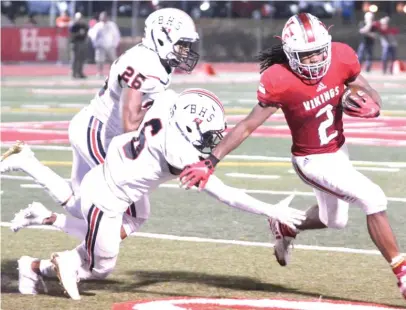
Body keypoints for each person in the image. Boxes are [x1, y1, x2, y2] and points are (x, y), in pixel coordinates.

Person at [179, 12, 406, 299]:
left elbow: (368, 89)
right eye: (305, 55)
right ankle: (402, 272)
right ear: (290, 54)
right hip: (311, 160)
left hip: (338, 150)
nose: (313, 60)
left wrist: (373, 104)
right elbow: (248, 124)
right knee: (373, 198)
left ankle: (286, 222)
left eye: (317, 52)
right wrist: (211, 161)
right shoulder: (279, 79)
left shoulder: (342, 56)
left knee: (335, 221)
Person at [14, 88, 306, 299]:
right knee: (100, 267)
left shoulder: (169, 100)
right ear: (191, 129)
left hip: (109, 172)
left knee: (137, 216)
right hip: (109, 198)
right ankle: (48, 262)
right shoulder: (180, 152)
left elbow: (143, 100)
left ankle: (42, 226)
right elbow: (226, 194)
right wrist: (271, 210)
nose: (208, 142)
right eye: (206, 136)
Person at [1, 8, 201, 254]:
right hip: (100, 134)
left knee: (81, 207)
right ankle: (81, 261)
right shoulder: (147, 66)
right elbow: (129, 124)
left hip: (92, 127)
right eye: (182, 44)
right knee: (135, 214)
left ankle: (27, 164)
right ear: (162, 38)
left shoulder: (152, 61)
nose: (186, 52)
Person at [88, 11, 121, 77]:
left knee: (113, 60)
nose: (102, 18)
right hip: (100, 46)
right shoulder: (97, 25)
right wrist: (95, 44)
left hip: (110, 45)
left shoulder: (112, 25)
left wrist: (115, 44)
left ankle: (112, 72)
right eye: (101, 17)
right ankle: (100, 72)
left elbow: (117, 35)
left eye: (104, 17)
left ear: (107, 17)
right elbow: (92, 35)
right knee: (100, 60)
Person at [69, 12, 89, 79]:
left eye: (80, 18)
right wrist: (78, 33)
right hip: (75, 43)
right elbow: (71, 34)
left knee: (81, 58)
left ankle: (80, 72)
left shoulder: (84, 25)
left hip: (82, 43)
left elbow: (86, 32)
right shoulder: (73, 25)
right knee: (75, 58)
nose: (80, 20)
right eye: (78, 18)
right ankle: (74, 73)